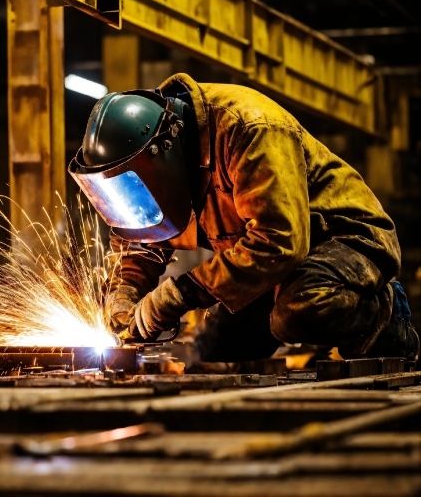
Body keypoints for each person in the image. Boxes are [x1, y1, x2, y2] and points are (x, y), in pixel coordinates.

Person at [68, 73, 419, 362]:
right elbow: (143, 238)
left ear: (162, 158)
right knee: (217, 350)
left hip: (343, 240)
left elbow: (279, 241)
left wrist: (180, 293)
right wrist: (126, 291)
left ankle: (386, 315)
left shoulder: (249, 129)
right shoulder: (166, 166)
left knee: (300, 308)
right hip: (266, 265)